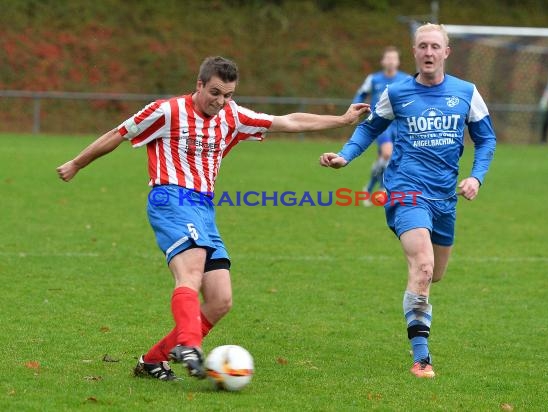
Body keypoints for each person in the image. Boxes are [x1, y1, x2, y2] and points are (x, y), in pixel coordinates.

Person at [57, 56, 369, 381]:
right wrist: (78, 163)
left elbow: (287, 121)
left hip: (204, 208)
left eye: (228, 95)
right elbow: (119, 134)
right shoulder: (167, 111)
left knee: (220, 300)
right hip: (171, 198)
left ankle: (153, 360)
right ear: (200, 84)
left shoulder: (232, 115)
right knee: (189, 274)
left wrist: (342, 120)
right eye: (215, 93)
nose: (220, 102)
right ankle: (189, 345)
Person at [319, 24, 496, 378]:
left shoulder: (466, 92)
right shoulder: (397, 92)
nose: (428, 52)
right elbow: (369, 127)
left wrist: (476, 176)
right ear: (414, 52)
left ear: (446, 52)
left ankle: (419, 300)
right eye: (422, 46)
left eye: (435, 46)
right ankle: (422, 358)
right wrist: (345, 155)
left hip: (444, 195)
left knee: (436, 274)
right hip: (405, 189)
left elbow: (486, 139)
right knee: (424, 266)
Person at [352, 47, 409, 205]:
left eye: (394, 58)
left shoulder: (406, 79)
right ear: (383, 61)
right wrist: (356, 108)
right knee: (387, 153)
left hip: (399, 124)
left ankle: (369, 189)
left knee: (388, 158)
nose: (391, 61)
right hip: (380, 124)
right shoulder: (374, 79)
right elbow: (361, 94)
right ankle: (383, 189)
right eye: (388, 58)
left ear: (398, 62)